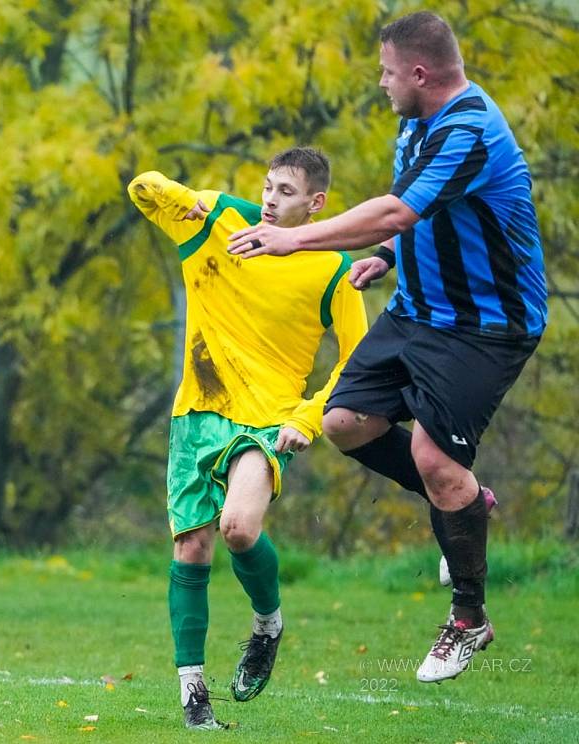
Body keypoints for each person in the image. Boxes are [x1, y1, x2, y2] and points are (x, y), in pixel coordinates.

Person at [228, 12, 547, 684]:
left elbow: (399, 206)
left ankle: (469, 617)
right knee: (344, 423)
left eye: (388, 72)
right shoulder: (416, 124)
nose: (381, 83)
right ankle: (464, 498)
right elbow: (417, 214)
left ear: (420, 74)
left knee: (433, 456)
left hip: (485, 325)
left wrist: (294, 238)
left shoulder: (469, 130)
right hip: (417, 312)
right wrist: (388, 253)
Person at [128, 147, 367, 728]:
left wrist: (307, 419)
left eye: (285, 192)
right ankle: (193, 697)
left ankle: (267, 624)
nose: (269, 198)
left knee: (237, 529)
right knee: (192, 548)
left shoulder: (333, 268)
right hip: (199, 414)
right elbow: (142, 187)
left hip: (268, 421)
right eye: (266, 187)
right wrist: (193, 203)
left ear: (316, 204)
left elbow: (357, 361)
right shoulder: (222, 224)